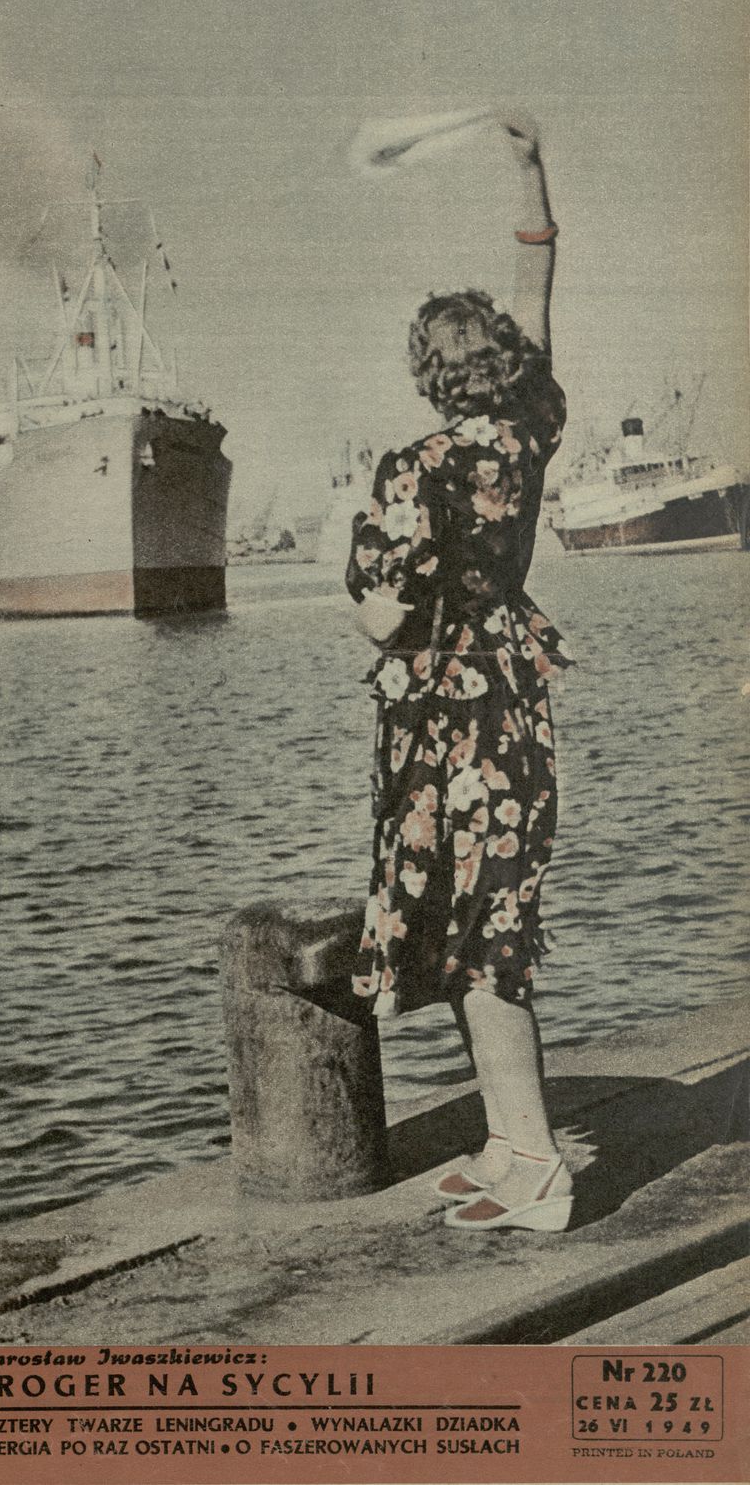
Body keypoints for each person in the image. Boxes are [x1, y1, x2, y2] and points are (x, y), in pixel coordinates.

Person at [345, 117, 573, 1231]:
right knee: (486, 920)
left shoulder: (418, 468)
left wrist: (354, 581)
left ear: (429, 375)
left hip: (446, 721)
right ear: (503, 363)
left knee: (475, 939)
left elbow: (384, 618)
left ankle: (539, 1169)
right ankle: (507, 1141)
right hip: (513, 704)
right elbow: (537, 286)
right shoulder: (529, 430)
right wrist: (529, 170)